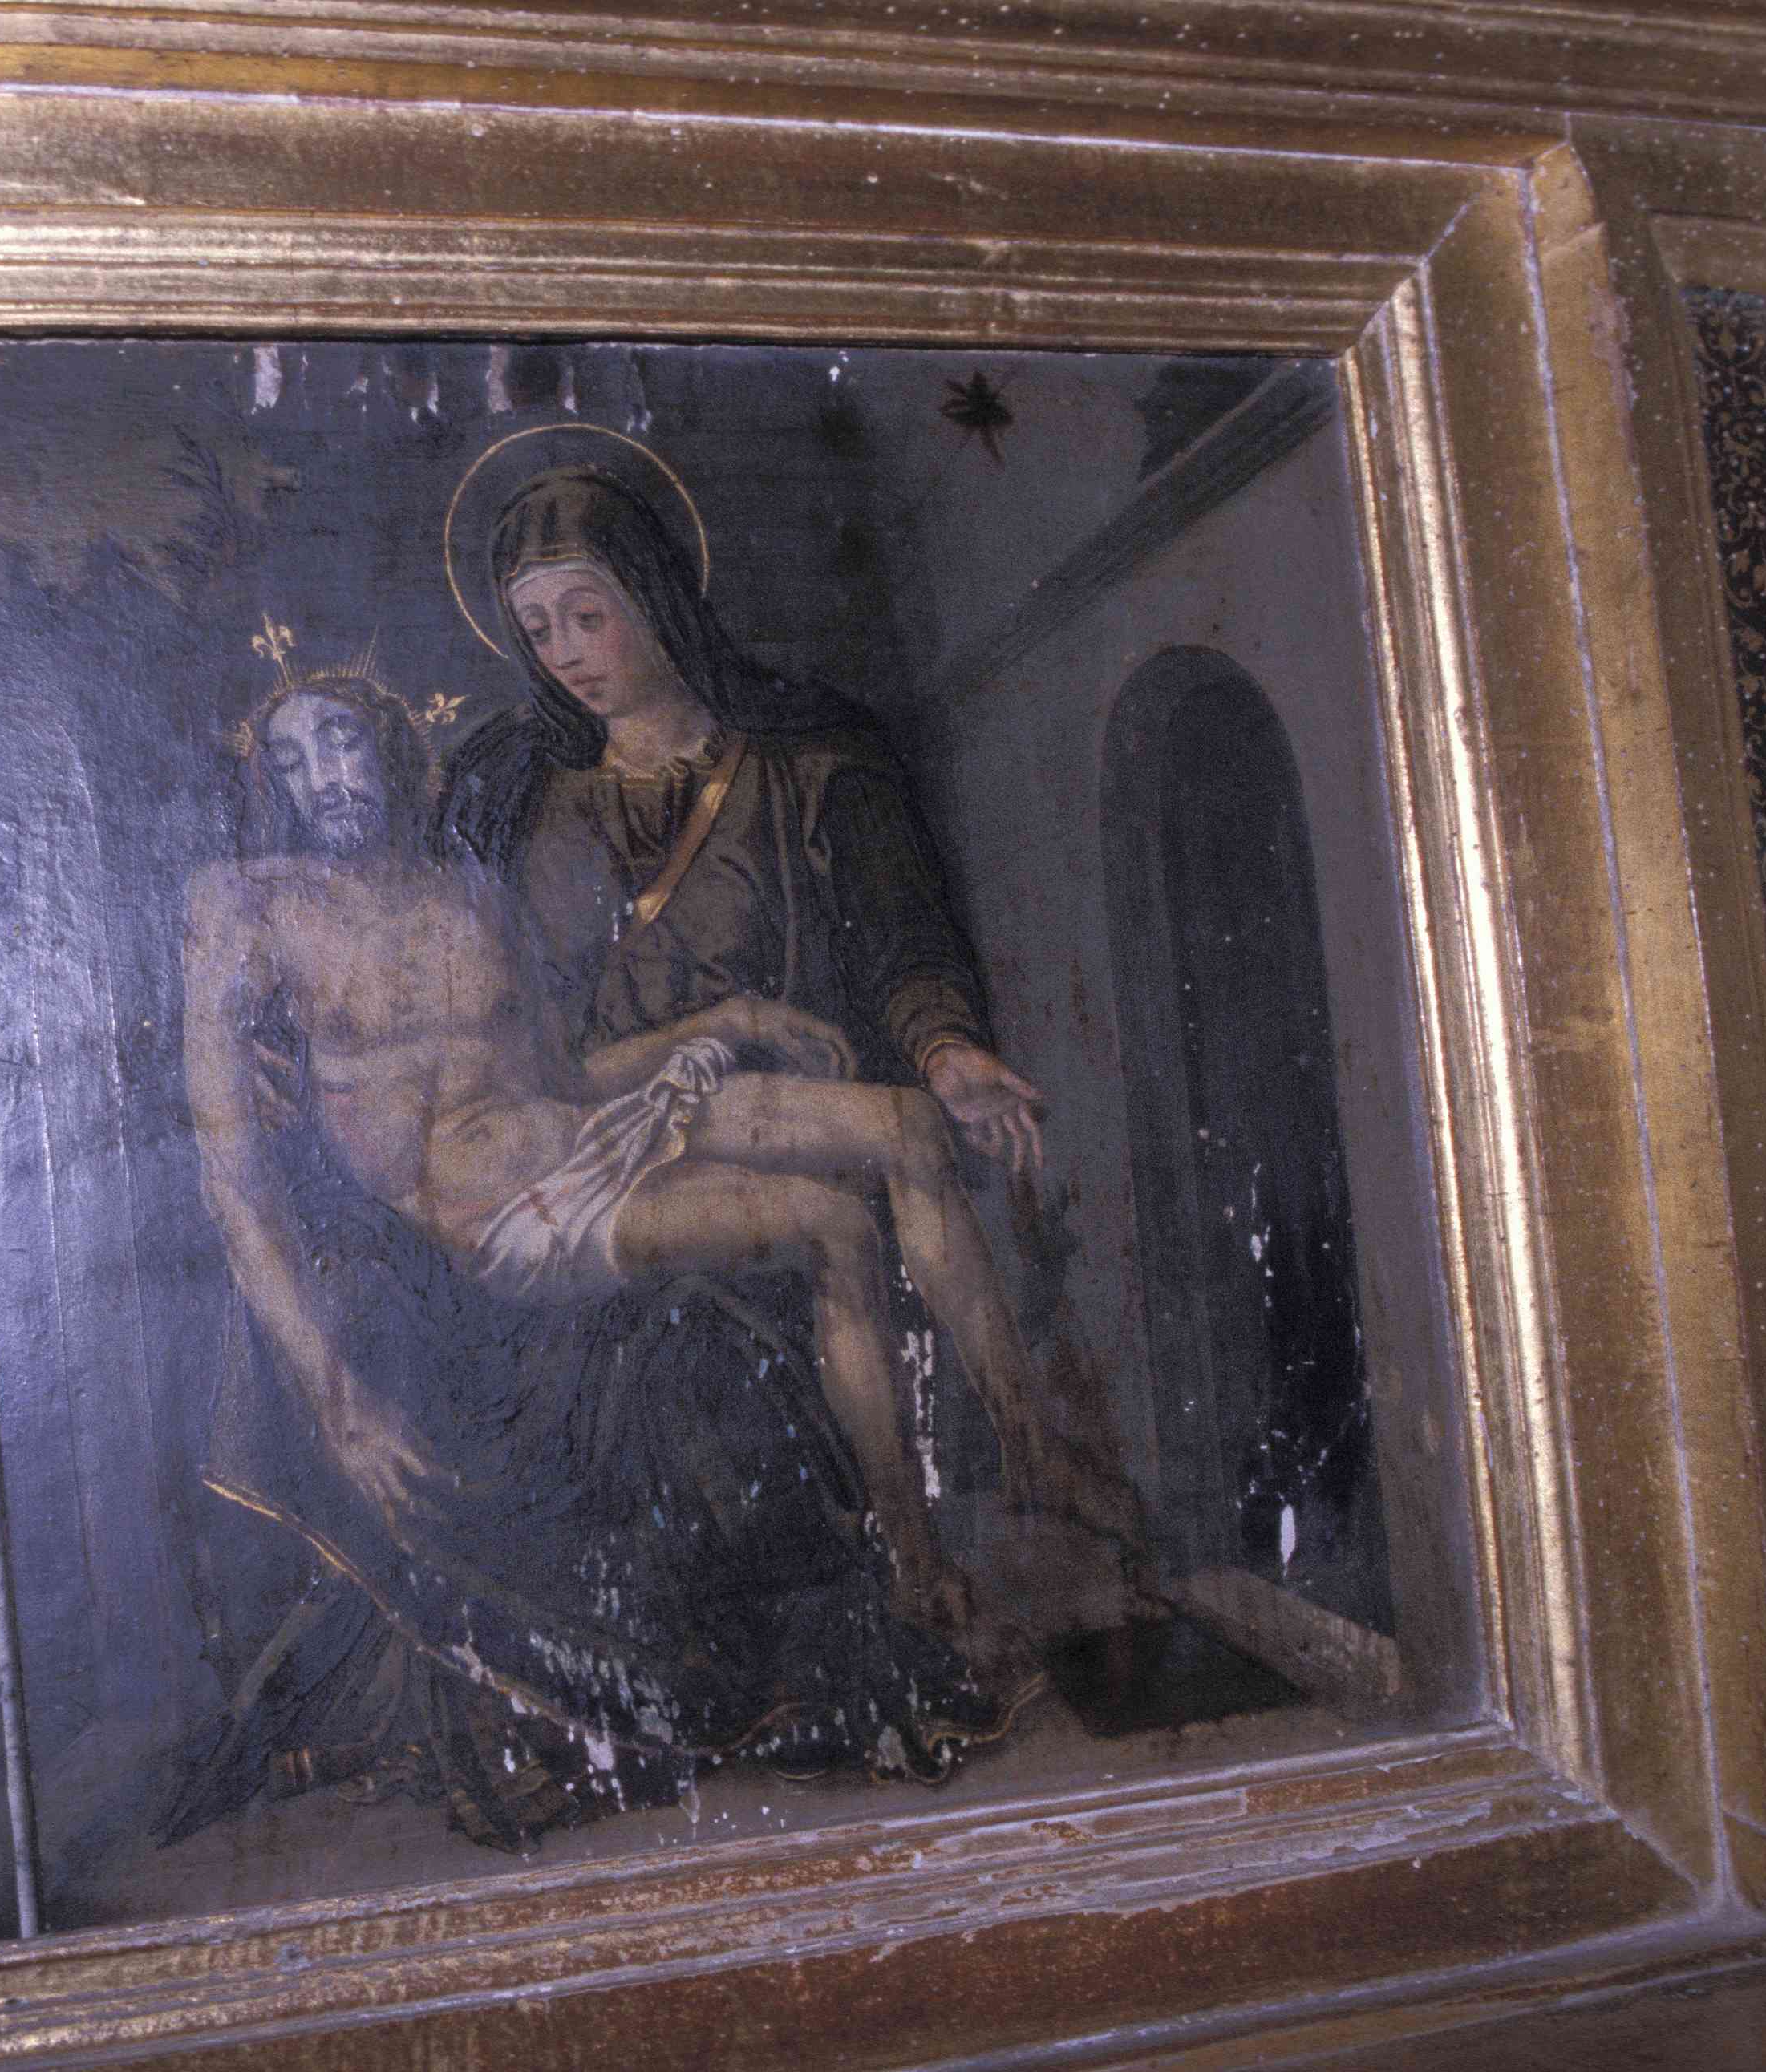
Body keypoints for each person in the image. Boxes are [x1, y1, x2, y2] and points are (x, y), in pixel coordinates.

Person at [146, 641, 1019, 1856]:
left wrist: (725, 1021)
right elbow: (231, 1179)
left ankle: (917, 1558)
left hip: (576, 1143)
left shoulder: (468, 894)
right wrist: (337, 1397)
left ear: (388, 745)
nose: (322, 776)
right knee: (823, 1221)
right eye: (290, 759)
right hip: (498, 1223)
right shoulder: (242, 906)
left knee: (872, 1169)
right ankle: (914, 1569)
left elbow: (561, 1077)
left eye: (338, 740)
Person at [439, 458, 1132, 1532]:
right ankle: (964, 1492)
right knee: (892, 1137)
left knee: (914, 1122)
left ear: (654, 598)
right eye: (538, 630)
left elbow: (899, 933)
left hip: (764, 1100)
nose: (565, 652)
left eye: (587, 615)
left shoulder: (802, 759)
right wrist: (718, 1024)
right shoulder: (529, 803)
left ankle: (1023, 1449)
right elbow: (521, 1030)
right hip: (602, 1112)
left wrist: (946, 1050)